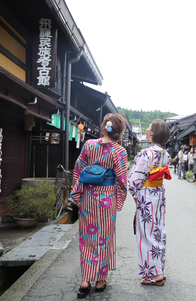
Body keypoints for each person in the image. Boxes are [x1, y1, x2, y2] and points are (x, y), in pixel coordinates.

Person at [70, 113, 128, 298]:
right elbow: (122, 180)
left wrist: (77, 194)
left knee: (87, 237)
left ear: (103, 127)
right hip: (107, 198)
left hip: (88, 196)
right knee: (104, 238)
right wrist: (119, 201)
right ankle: (100, 280)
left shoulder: (89, 145)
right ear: (119, 131)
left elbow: (78, 169)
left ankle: (85, 280)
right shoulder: (119, 151)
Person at [128, 120, 171, 286]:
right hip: (159, 194)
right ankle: (159, 269)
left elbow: (133, 181)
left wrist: (136, 200)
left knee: (147, 235)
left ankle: (154, 274)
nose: (147, 129)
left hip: (146, 196)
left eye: (149, 128)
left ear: (152, 133)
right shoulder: (165, 154)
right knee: (158, 232)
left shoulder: (146, 153)